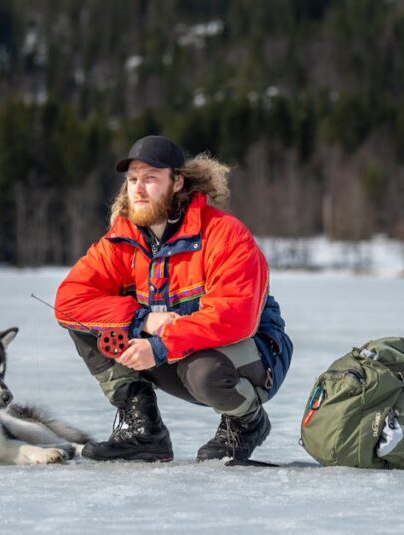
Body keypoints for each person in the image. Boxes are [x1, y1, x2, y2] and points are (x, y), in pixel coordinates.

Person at [54, 135, 292, 462]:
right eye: (133, 179)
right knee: (88, 324)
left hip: (252, 356)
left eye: (151, 178)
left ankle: (247, 421)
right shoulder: (123, 240)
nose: (137, 188)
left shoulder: (225, 235)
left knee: (204, 372)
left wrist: (160, 346)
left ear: (177, 182)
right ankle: (144, 430)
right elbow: (70, 300)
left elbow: (235, 317)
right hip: (175, 350)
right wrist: (142, 320)